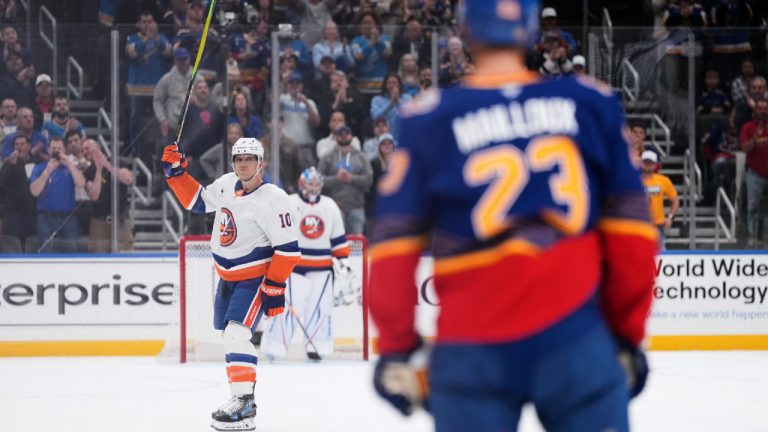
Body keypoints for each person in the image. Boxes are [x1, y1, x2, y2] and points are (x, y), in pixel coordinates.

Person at [369, 2, 658, 431]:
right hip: (575, 339)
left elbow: (392, 245)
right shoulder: (589, 102)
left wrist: (397, 346)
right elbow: (633, 234)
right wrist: (624, 333)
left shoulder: (429, 117)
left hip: (471, 348)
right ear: (530, 27)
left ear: (466, 28)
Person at [161, 138, 300, 431]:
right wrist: (176, 174)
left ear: (261, 162)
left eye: (250, 159)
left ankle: (244, 402)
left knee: (237, 334)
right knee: (231, 336)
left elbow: (288, 250)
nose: (244, 164)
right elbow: (197, 201)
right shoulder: (226, 184)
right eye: (239, 159)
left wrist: (274, 287)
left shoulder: (275, 199)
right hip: (227, 280)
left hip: (253, 278)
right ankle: (240, 399)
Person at [261, 167, 350, 359]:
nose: (314, 187)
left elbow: (338, 242)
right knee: (284, 310)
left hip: (322, 268)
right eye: (311, 183)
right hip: (294, 267)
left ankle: (317, 348)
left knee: (320, 309)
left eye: (318, 184)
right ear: (303, 183)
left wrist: (343, 265)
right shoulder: (290, 203)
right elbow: (279, 233)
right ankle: (274, 348)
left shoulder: (330, 205)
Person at [29, 136, 85, 253]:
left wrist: (69, 164)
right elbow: (34, 191)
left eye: (59, 148)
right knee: (46, 253)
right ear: (49, 150)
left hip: (68, 218)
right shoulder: (39, 168)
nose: (56, 151)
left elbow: (81, 183)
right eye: (53, 148)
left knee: (71, 252)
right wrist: (47, 171)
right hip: (45, 218)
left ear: (64, 150)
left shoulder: (70, 168)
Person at [82, 139, 135, 252]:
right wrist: (99, 170)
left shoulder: (118, 162)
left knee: (126, 253)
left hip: (120, 220)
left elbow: (129, 179)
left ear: (98, 147)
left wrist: (107, 166)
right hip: (99, 221)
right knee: (98, 255)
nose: (85, 152)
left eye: (87, 148)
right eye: (83, 150)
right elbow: (94, 195)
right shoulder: (88, 172)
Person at [318, 125, 372, 235]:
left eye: (346, 134)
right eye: (340, 135)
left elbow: (369, 180)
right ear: (336, 137)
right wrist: (336, 179)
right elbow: (317, 179)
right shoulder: (327, 157)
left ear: (351, 136)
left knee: (357, 246)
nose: (343, 137)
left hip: (356, 206)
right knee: (336, 245)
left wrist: (351, 178)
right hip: (334, 207)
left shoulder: (361, 157)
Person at [0, 134, 39, 246]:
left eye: (22, 144)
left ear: (29, 146)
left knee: (31, 245)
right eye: (16, 144)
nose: (19, 147)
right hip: (12, 213)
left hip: (32, 213)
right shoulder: (8, 165)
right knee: (12, 245)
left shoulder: (37, 162)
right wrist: (11, 164)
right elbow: (1, 185)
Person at [739, 98, 768, 247]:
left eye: (765, 108)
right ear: (755, 111)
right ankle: (752, 238)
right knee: (752, 207)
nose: (763, 111)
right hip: (755, 173)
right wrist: (755, 138)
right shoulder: (748, 127)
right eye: (760, 108)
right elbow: (744, 148)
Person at [153, 47, 193, 144]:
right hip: (173, 127)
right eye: (180, 60)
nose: (183, 62)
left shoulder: (198, 77)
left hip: (193, 127)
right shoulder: (166, 79)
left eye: (185, 59)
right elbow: (157, 101)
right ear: (175, 61)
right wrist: (163, 120)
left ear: (189, 59)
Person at [640, 151, 679, 249]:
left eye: (651, 162)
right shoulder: (633, 180)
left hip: (657, 226)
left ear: (655, 164)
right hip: (639, 227)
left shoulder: (663, 180)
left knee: (661, 259)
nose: (648, 164)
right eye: (646, 162)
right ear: (641, 163)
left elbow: (675, 200)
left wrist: (670, 217)